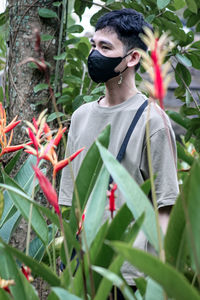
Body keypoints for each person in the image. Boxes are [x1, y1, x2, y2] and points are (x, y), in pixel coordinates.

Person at [59, 8, 179, 296]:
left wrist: (156, 280)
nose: (95, 55)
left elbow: (166, 209)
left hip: (129, 277)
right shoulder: (80, 117)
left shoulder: (154, 121)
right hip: (82, 272)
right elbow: (69, 203)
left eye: (105, 47)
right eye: (93, 46)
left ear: (133, 58)